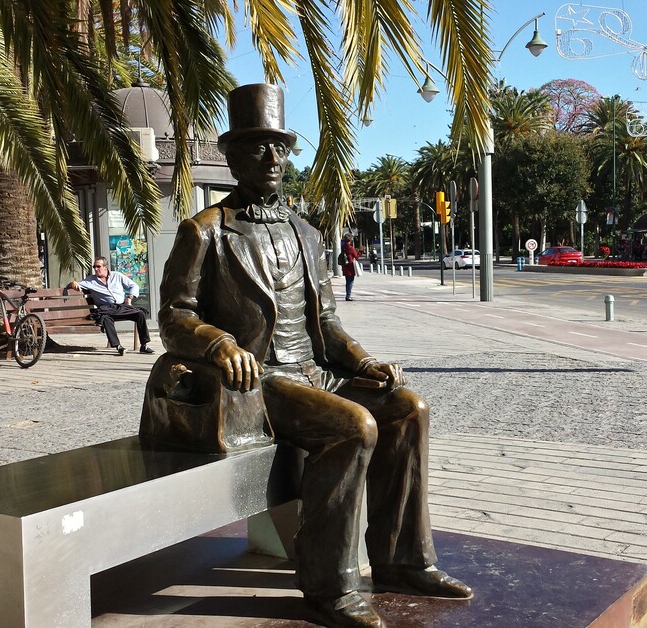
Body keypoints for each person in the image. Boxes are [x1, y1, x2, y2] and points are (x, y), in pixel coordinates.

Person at [140, 84, 470, 628]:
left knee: (409, 406)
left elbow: (327, 323)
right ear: (231, 155)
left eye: (280, 147)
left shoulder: (307, 233)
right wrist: (219, 343)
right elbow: (173, 316)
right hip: (258, 382)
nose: (272, 158)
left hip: (316, 374)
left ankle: (401, 561)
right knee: (354, 426)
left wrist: (363, 363)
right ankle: (330, 588)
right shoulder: (206, 231)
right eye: (257, 147)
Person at [68, 257, 154, 355]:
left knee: (140, 313)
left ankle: (144, 345)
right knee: (105, 318)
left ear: (106, 267)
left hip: (121, 307)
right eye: (94, 267)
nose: (96, 269)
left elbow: (134, 285)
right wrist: (73, 283)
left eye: (98, 266)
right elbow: (73, 285)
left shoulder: (117, 276)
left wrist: (129, 297)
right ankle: (118, 346)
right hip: (106, 309)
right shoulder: (90, 280)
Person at [340, 235, 361, 301]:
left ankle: (348, 295)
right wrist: (360, 251)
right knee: (350, 282)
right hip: (350, 267)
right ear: (350, 240)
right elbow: (356, 257)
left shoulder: (343, 247)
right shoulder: (351, 248)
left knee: (347, 281)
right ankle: (348, 296)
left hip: (345, 266)